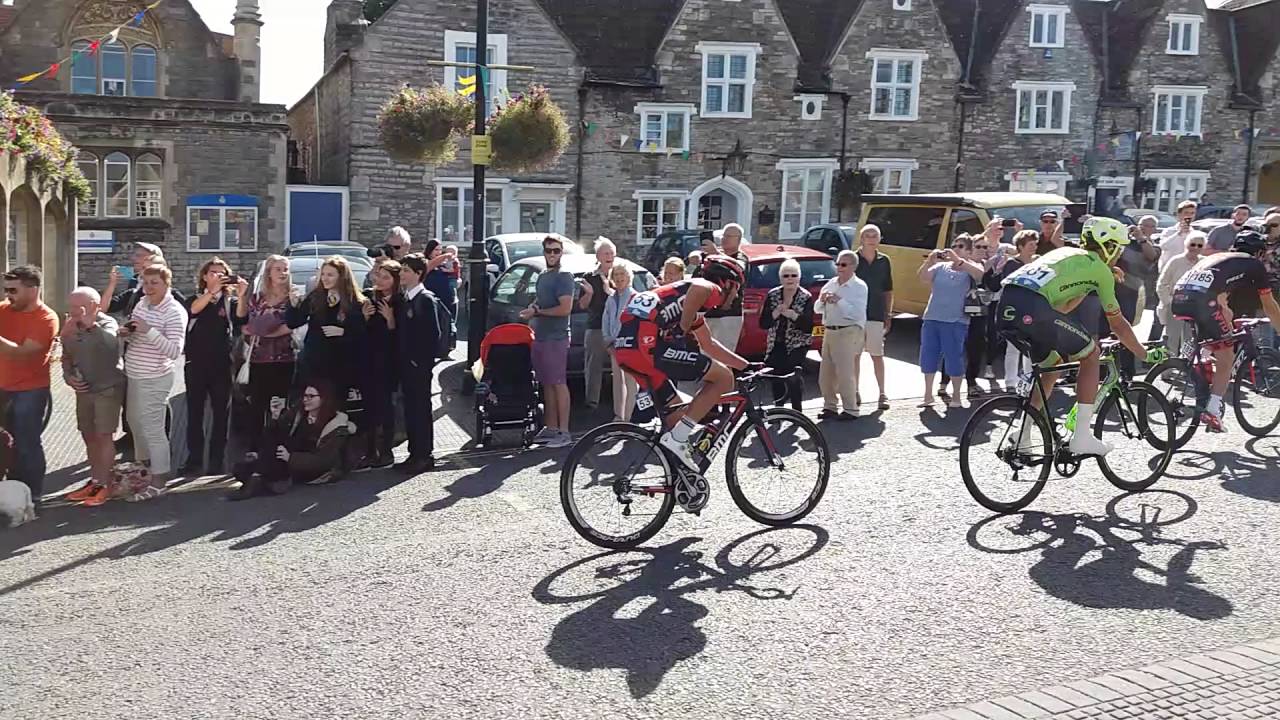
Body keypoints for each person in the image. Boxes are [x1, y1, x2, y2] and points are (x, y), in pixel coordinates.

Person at [997, 217, 1160, 457]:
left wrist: (1090, 285)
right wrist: (1143, 353)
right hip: (1034, 310)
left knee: (1052, 366)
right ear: (1110, 247)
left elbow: (1061, 308)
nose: (1119, 255)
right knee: (1091, 354)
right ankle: (1082, 435)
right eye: (1119, 249)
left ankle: (1024, 432)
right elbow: (1118, 325)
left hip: (1006, 308)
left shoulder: (1066, 253)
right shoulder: (1101, 270)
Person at [613, 255, 750, 469]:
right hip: (645, 347)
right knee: (724, 378)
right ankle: (678, 438)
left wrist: (747, 365)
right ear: (726, 283)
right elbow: (699, 289)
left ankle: (677, 477)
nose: (736, 297)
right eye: (737, 290)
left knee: (676, 416)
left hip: (625, 350)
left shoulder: (681, 300)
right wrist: (683, 327)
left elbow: (709, 344)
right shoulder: (708, 288)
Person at [1169, 230, 1280, 432]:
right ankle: (1212, 409)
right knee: (1226, 355)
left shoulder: (1220, 258)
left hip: (1179, 298)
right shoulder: (1254, 264)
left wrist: (1228, 317)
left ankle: (1199, 363)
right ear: (1260, 253)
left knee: (1218, 334)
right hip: (1203, 300)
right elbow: (1269, 305)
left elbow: (1221, 300)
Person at [100, 242, 185, 456]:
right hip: (135, 360)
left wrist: (148, 330)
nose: (135, 259)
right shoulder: (137, 293)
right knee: (134, 415)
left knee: (155, 418)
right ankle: (139, 452)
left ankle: (160, 458)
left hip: (156, 368)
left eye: (141, 256)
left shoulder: (172, 302)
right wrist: (129, 329)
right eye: (136, 256)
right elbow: (106, 309)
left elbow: (176, 342)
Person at [119, 264, 188, 499]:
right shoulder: (142, 303)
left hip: (156, 377)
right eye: (145, 283)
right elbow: (138, 330)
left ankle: (160, 481)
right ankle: (144, 471)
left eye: (154, 283)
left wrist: (148, 330)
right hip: (134, 373)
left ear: (166, 284)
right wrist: (127, 332)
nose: (148, 288)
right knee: (134, 424)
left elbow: (174, 351)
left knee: (153, 430)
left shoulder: (175, 311)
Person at [288, 256, 367, 453]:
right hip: (315, 363)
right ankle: (313, 451)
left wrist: (344, 332)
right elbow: (294, 322)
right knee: (315, 408)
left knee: (338, 409)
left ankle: (338, 454)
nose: (325, 278)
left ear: (342, 277)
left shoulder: (355, 301)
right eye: (323, 274)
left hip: (340, 366)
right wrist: (293, 304)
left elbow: (363, 334)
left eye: (330, 274)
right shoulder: (315, 297)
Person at [59, 288, 127, 506]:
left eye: (78, 307)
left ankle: (106, 485)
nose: (73, 311)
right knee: (88, 435)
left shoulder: (108, 323)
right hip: (84, 390)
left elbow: (111, 347)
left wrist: (92, 326)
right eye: (70, 306)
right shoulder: (71, 325)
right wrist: (68, 376)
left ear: (93, 306)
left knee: (104, 435)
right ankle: (96, 480)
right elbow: (66, 357)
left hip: (107, 388)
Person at [228, 381, 352, 499]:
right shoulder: (300, 412)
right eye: (305, 395)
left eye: (311, 396)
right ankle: (267, 480)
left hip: (312, 468)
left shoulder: (336, 425)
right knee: (239, 469)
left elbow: (323, 460)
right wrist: (276, 416)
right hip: (287, 458)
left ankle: (258, 481)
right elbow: (276, 436)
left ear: (324, 399)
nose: (305, 399)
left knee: (262, 467)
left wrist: (290, 458)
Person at [0, 265, 59, 500]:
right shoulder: (4, 309)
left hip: (30, 391)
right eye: (6, 290)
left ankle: (32, 495)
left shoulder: (46, 318)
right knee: (5, 443)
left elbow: (22, 352)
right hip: (2, 387)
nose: (8, 295)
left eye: (13, 290)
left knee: (27, 443)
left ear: (33, 289)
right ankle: (10, 491)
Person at [179, 258, 241, 476]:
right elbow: (193, 311)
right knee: (194, 413)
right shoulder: (194, 299)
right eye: (213, 272)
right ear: (204, 276)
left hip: (222, 365)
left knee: (221, 414)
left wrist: (242, 294)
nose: (217, 276)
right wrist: (210, 292)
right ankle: (194, 459)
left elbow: (241, 319)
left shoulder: (229, 303)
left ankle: (217, 459)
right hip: (196, 364)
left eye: (221, 273)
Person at [521, 235, 580, 449]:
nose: (552, 254)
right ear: (544, 251)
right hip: (541, 335)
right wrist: (533, 307)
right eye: (549, 250)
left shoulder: (565, 276)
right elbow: (541, 300)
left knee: (558, 382)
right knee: (546, 382)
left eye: (556, 250)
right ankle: (551, 427)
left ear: (562, 252)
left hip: (557, 337)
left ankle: (564, 431)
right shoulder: (544, 275)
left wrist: (537, 311)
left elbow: (565, 308)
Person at [237, 255, 297, 454]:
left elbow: (295, 324)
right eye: (278, 269)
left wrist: (270, 330)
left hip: (285, 357)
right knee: (257, 405)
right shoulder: (258, 297)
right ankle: (255, 448)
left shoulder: (293, 297)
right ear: (269, 273)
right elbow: (247, 321)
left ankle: (279, 447)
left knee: (280, 405)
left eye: (285, 269)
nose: (283, 273)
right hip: (259, 358)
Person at [918, 237, 984, 409]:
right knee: (928, 355)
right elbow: (923, 277)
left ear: (969, 251)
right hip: (932, 317)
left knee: (953, 356)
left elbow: (979, 275)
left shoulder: (971, 267)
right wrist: (930, 261)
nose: (955, 248)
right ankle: (927, 395)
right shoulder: (941, 267)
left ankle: (956, 396)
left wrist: (958, 260)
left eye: (960, 246)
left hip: (955, 321)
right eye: (953, 245)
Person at [396, 253, 447, 472]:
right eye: (402, 270)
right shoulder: (407, 298)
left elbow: (432, 335)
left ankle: (424, 455)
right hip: (406, 364)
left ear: (418, 274)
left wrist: (420, 361)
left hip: (418, 365)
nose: (402, 274)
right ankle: (413, 453)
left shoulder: (425, 299)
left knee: (421, 410)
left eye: (407, 271)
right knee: (410, 409)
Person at [814, 250, 866, 419]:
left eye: (843, 264)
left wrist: (839, 301)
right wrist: (822, 300)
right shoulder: (831, 283)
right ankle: (830, 406)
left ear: (853, 266)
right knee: (825, 373)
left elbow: (856, 313)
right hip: (829, 330)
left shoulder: (859, 286)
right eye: (837, 264)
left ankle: (851, 409)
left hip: (848, 330)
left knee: (845, 373)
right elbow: (816, 308)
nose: (839, 268)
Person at [360, 260, 401, 468]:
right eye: (379, 276)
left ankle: (386, 451)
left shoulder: (399, 301)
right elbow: (360, 331)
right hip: (368, 358)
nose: (380, 281)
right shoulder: (368, 296)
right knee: (369, 407)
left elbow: (400, 337)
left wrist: (391, 320)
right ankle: (369, 451)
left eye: (386, 277)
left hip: (388, 361)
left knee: (386, 407)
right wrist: (364, 318)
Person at [760, 258, 814, 412]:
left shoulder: (806, 297)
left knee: (793, 376)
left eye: (793, 275)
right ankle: (779, 409)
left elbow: (808, 327)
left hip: (798, 343)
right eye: (786, 276)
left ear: (799, 277)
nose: (790, 279)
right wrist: (775, 313)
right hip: (776, 342)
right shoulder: (773, 295)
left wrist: (793, 315)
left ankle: (797, 411)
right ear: (780, 278)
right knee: (776, 376)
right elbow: (763, 323)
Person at [987, 230, 1039, 387]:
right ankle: (1010, 380)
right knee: (1014, 346)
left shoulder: (1037, 263)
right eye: (1031, 244)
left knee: (1030, 347)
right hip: (1014, 309)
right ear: (1021, 246)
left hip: (1033, 309)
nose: (1034, 247)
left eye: (1035, 244)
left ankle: (1028, 380)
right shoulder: (1012, 264)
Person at [853, 224, 894, 410]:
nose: (871, 239)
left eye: (874, 235)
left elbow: (888, 290)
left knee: (877, 355)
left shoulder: (884, 261)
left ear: (879, 239)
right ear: (862, 238)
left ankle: (882, 393)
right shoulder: (853, 259)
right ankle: (854, 392)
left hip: (876, 314)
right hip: (855, 316)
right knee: (854, 356)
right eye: (867, 235)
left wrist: (888, 313)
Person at [1114, 220, 1161, 375]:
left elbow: (1152, 256)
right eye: (1142, 225)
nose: (1143, 228)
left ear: (1154, 229)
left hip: (1131, 293)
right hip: (1114, 289)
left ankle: (1127, 371)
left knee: (1126, 330)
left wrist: (1141, 238)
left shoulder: (1153, 245)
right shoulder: (1125, 243)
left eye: (1148, 226)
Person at [581, 238, 616, 411]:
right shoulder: (589, 277)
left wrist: (610, 291)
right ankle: (592, 402)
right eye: (605, 253)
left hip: (617, 328)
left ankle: (621, 402)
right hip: (596, 326)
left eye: (611, 253)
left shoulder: (621, 274)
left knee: (621, 366)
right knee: (593, 365)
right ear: (598, 256)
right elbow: (582, 305)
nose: (609, 256)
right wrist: (589, 293)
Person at [703, 224, 748, 355]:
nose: (724, 239)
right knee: (705, 355)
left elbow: (737, 269)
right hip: (707, 313)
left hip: (728, 314)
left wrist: (716, 254)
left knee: (724, 355)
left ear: (738, 239)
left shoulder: (740, 258)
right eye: (723, 236)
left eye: (729, 236)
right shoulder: (713, 257)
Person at [603, 263, 640, 422]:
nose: (619, 278)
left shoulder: (635, 297)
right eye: (616, 275)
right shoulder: (611, 299)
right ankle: (619, 415)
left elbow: (637, 323)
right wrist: (607, 341)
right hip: (614, 346)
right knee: (617, 382)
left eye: (622, 274)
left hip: (630, 346)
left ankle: (629, 417)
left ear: (628, 277)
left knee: (630, 382)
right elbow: (605, 320)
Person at [1156, 232, 1203, 355]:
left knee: (1191, 340)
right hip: (1175, 306)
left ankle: (1187, 369)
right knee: (1171, 338)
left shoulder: (1204, 263)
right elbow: (1161, 284)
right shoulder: (1175, 261)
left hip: (1194, 307)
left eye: (1200, 246)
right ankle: (1166, 369)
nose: (1196, 248)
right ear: (1186, 244)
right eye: (1193, 244)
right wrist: (1169, 301)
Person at [1157, 200, 1198, 272]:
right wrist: (1179, 233)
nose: (1189, 216)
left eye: (1192, 213)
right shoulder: (1169, 231)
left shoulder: (1195, 234)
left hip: (1187, 271)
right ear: (1179, 214)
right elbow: (1164, 246)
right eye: (1186, 213)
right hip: (1169, 270)